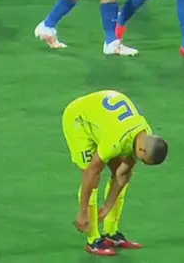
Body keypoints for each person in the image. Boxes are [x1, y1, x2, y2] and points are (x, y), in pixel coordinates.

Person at [62, 89, 169, 256]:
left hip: (104, 121)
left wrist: (107, 207)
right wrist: (82, 213)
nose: (140, 162)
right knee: (93, 176)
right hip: (79, 120)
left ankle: (111, 233)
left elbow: (123, 173)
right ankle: (93, 239)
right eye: (143, 160)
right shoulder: (116, 141)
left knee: (119, 170)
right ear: (142, 150)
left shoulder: (144, 135)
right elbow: (91, 173)